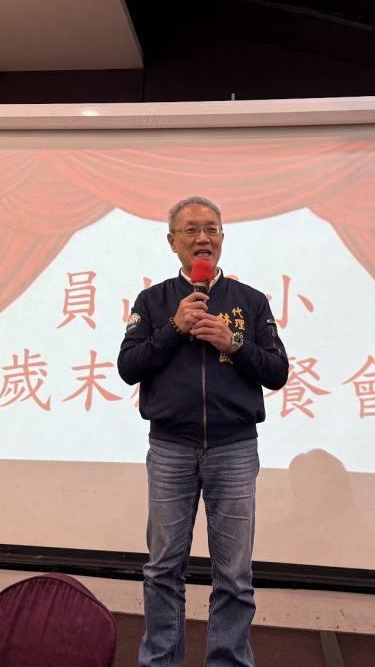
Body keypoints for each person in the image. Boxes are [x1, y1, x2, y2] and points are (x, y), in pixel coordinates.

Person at [118, 196, 289, 667]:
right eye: (191, 229)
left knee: (234, 575)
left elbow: (277, 371)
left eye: (211, 229)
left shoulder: (250, 301)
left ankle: (228, 661)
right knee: (162, 569)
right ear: (172, 241)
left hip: (234, 449)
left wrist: (234, 342)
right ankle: (161, 661)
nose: (203, 238)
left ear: (222, 238)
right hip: (170, 448)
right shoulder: (153, 302)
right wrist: (173, 328)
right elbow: (129, 367)